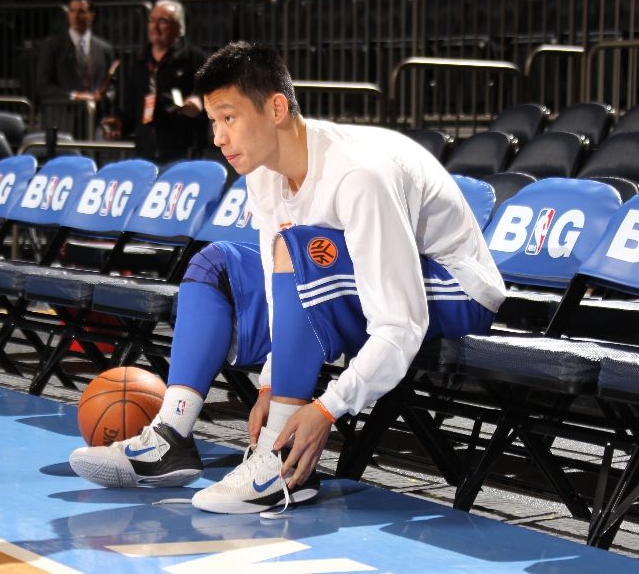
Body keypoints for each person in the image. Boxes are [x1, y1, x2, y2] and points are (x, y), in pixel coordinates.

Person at [69, 41, 507, 515]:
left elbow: (401, 323)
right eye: (213, 121)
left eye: (230, 118)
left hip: (454, 290)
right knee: (215, 265)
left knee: (297, 252)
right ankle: (171, 436)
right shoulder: (262, 173)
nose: (218, 137)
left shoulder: (360, 175)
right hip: (353, 275)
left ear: (276, 107)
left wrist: (324, 410)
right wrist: (268, 386)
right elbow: (283, 297)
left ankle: (279, 461)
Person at [100, 0, 208, 163]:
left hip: (184, 154)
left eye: (163, 21)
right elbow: (131, 109)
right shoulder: (139, 62)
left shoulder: (196, 60)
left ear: (179, 28)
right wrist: (119, 123)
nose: (155, 27)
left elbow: (207, 96)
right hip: (145, 156)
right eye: (151, 21)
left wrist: (198, 102)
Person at [36, 0, 116, 106]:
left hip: (95, 116)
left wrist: (104, 96)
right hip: (63, 116)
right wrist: (74, 96)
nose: (75, 16)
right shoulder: (52, 46)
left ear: (92, 15)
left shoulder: (105, 49)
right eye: (72, 11)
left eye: (81, 12)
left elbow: (111, 88)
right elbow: (43, 86)